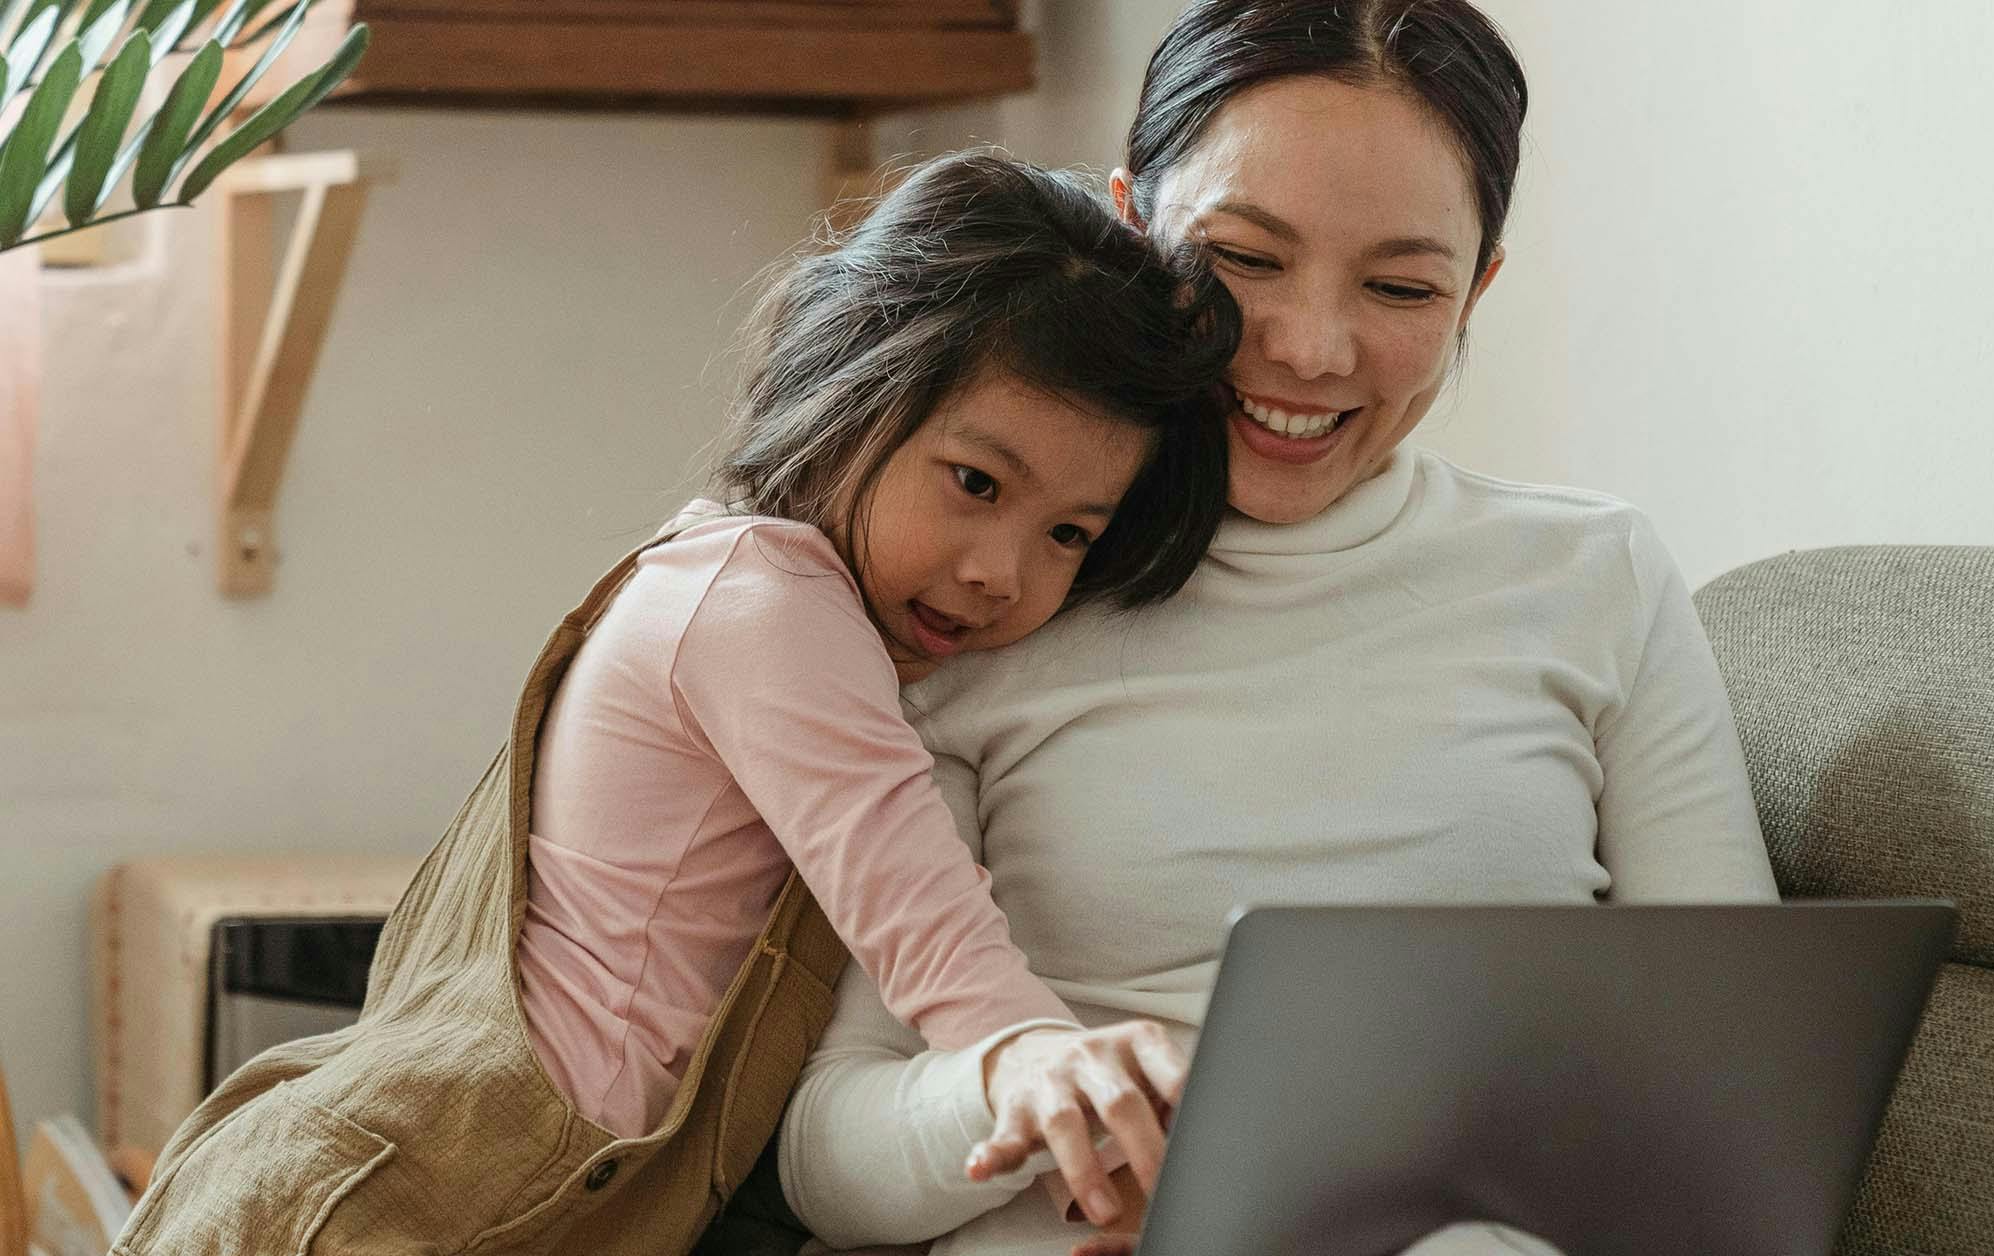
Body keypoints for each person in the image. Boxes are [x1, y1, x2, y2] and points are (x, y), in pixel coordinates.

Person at [772, 4, 1781, 1256]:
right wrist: (1012, 1090)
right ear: (1131, 228)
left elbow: (1746, 1099)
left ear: (1478, 286)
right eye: (1244, 260)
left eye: (1402, 284)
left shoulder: (1595, 575)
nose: (1308, 349)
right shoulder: (990, 590)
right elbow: (826, 1151)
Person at [109, 153, 1241, 1256]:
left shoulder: (726, 577)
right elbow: (921, 917)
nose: (1001, 568)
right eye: (976, 483)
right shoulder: (768, 604)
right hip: (397, 1205)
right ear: (851, 393)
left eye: (1067, 534)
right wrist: (1044, 1057)